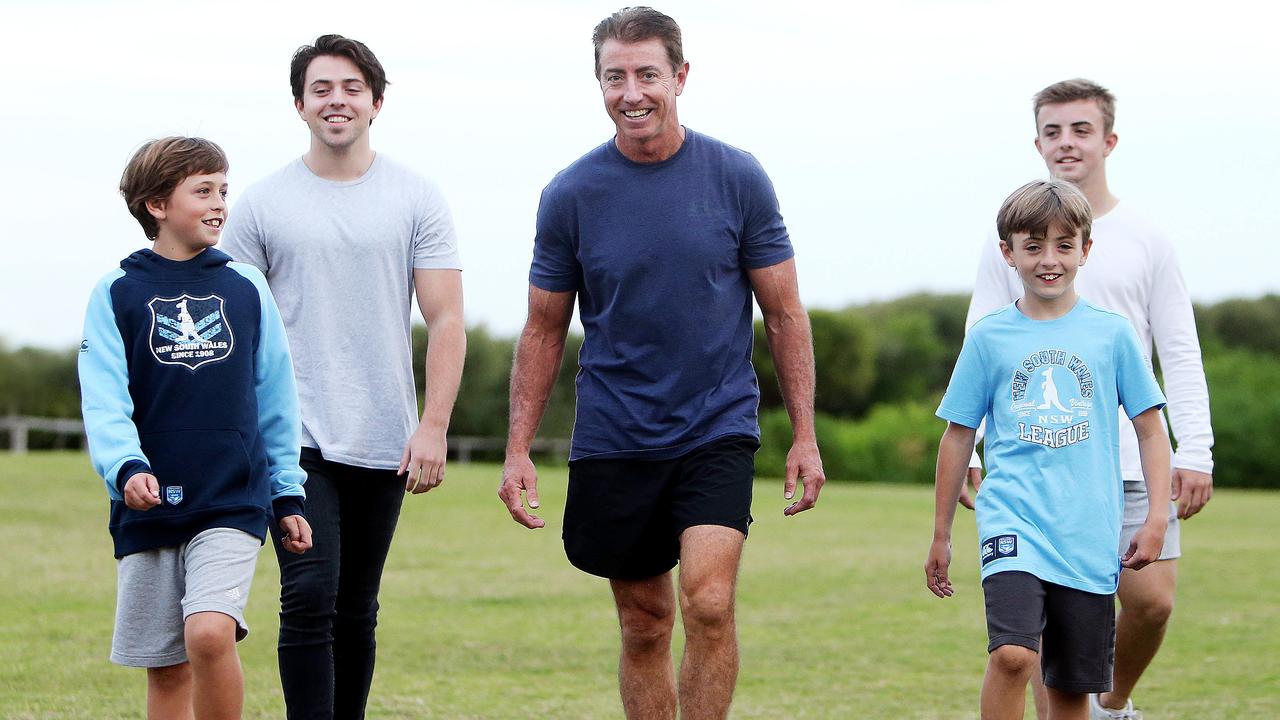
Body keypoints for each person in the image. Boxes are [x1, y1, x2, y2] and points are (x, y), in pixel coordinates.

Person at [497, 7, 825, 719]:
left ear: (680, 76)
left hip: (716, 424)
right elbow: (544, 327)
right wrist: (517, 447)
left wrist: (804, 433)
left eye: (647, 73)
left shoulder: (738, 178)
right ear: (600, 85)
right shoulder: (571, 195)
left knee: (708, 600)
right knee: (644, 623)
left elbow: (786, 313)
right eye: (615, 77)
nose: (631, 92)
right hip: (616, 432)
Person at [218, 34, 466, 719]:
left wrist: (433, 427)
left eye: (352, 87)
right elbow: (231, 329)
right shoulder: (262, 206)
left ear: (377, 102)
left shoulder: (417, 197)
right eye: (322, 88)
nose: (337, 99)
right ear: (299, 104)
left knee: (357, 607)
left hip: (386, 434)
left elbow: (445, 318)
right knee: (308, 595)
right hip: (289, 435)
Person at [961, 79, 1215, 720]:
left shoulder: (1146, 240)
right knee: (1044, 626)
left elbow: (1178, 350)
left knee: (1152, 601)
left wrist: (1197, 450)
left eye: (1080, 129)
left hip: (1129, 462)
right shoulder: (1015, 237)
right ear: (1038, 141)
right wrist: (974, 448)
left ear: (1109, 140)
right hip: (1039, 464)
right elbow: (982, 346)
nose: (1066, 142)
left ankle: (1114, 701)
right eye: (1053, 131)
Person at [80, 136, 312, 720]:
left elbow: (275, 397)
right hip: (150, 501)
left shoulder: (245, 287)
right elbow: (105, 401)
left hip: (231, 496)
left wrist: (286, 491)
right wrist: (125, 467)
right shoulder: (117, 292)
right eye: (203, 191)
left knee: (209, 634)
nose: (219, 204)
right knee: (167, 670)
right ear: (157, 204)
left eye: (223, 191)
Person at [927, 179, 1172, 720]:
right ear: (1007, 252)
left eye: (1064, 245)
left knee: (1067, 693)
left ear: (1086, 250)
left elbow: (1152, 430)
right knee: (1013, 656)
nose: (1048, 259)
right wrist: (941, 534)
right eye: (1032, 245)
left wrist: (1156, 517)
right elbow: (958, 435)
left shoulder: (1113, 336)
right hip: (1012, 518)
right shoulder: (989, 337)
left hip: (1088, 534)